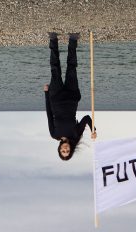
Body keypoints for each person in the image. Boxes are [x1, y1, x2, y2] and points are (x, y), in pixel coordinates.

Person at [44, 32, 96, 161]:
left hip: (55, 97)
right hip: (72, 96)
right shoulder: (75, 135)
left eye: (63, 151)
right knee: (72, 68)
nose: (65, 149)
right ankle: (73, 40)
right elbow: (86, 118)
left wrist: (46, 93)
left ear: (60, 149)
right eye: (67, 151)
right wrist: (93, 130)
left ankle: (53, 40)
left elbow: (49, 114)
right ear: (70, 150)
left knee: (55, 69)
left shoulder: (54, 134)